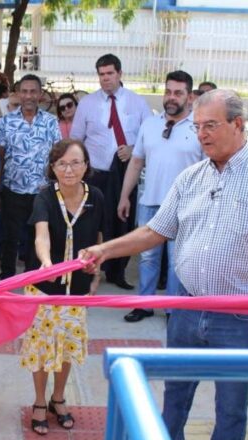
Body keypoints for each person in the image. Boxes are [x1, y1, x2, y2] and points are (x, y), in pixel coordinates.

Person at [80, 90, 248, 440]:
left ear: (238, 126)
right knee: (176, 390)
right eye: (197, 126)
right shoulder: (191, 177)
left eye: (211, 125)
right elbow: (156, 231)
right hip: (185, 305)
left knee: (231, 403)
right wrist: (105, 250)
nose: (201, 135)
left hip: (240, 314)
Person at [21, 139, 103, 436]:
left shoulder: (96, 196)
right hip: (45, 287)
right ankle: (40, 401)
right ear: (53, 168)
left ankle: (58, 397)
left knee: (67, 346)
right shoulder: (44, 197)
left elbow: (99, 237)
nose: (69, 169)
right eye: (62, 164)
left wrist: (97, 272)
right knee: (42, 347)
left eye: (76, 162)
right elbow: (41, 234)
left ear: (86, 166)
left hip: (77, 287)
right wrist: (46, 262)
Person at [117, 71, 203, 323]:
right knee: (147, 256)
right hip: (149, 203)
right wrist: (125, 196)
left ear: (189, 97)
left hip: (184, 206)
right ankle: (144, 304)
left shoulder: (199, 128)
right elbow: (136, 162)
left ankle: (173, 309)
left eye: (178, 93)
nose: (171, 98)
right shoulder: (150, 125)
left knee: (177, 260)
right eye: (168, 91)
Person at [70, 53, 151, 289]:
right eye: (101, 75)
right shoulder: (87, 104)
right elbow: (76, 139)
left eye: (110, 74)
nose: (105, 79)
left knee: (121, 223)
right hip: (96, 173)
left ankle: (118, 272)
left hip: (126, 174)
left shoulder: (137, 103)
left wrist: (134, 149)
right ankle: (86, 269)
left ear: (120, 73)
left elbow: (150, 137)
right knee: (91, 223)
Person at [0, 74, 61, 280]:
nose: (29, 96)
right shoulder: (7, 122)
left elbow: (57, 157)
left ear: (40, 94)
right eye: (24, 91)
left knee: (38, 236)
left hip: (41, 191)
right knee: (10, 236)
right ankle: (7, 277)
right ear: (18, 94)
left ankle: (32, 277)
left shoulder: (51, 122)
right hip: (13, 190)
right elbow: (0, 157)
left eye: (33, 91)